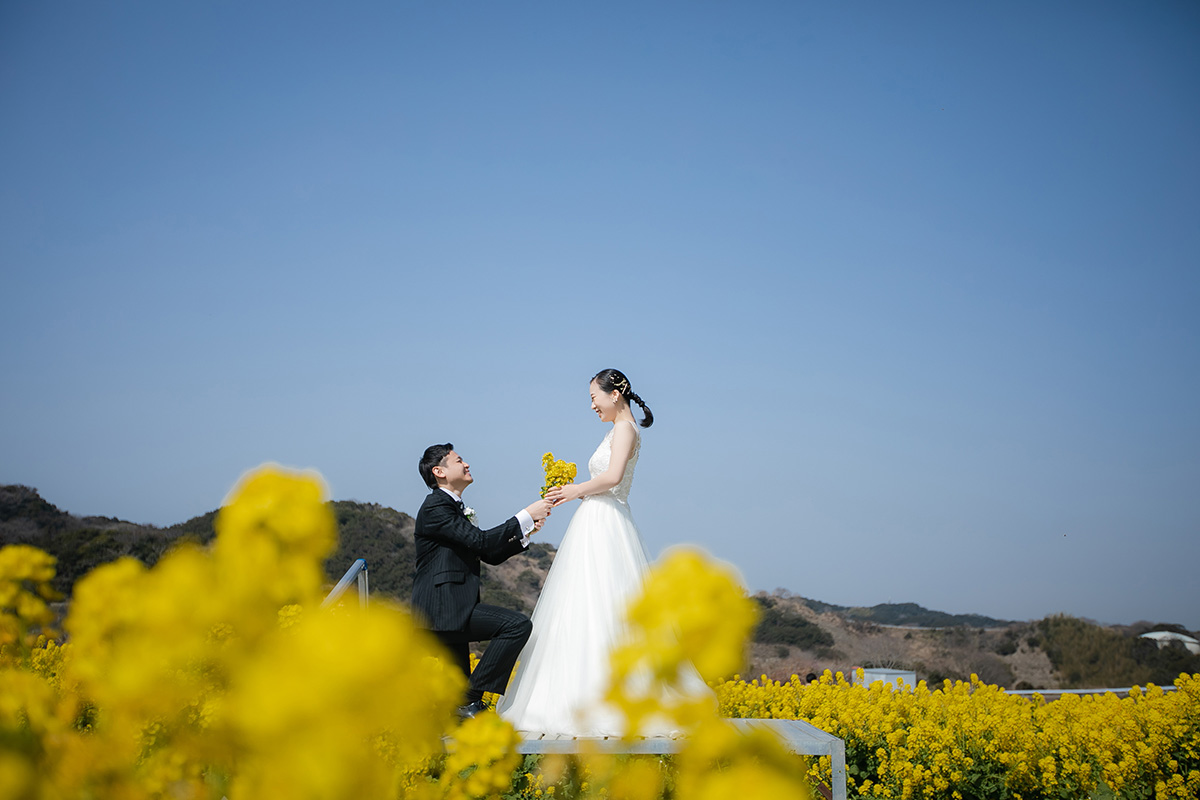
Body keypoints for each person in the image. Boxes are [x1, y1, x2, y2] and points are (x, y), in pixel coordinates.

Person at [498, 369, 708, 736]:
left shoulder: (625, 429)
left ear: (615, 394)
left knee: (606, 604)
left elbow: (612, 478)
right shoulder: (616, 430)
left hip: (606, 520)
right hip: (596, 520)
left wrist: (573, 490)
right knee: (586, 605)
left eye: (594, 397)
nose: (592, 405)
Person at [411, 443, 553, 719]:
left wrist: (526, 531)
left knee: (456, 698)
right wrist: (525, 514)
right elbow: (481, 541)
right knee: (516, 625)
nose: (466, 465)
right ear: (439, 471)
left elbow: (488, 553)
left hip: (450, 608)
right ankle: (471, 701)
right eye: (459, 460)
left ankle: (463, 711)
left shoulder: (451, 507)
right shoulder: (436, 506)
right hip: (443, 609)